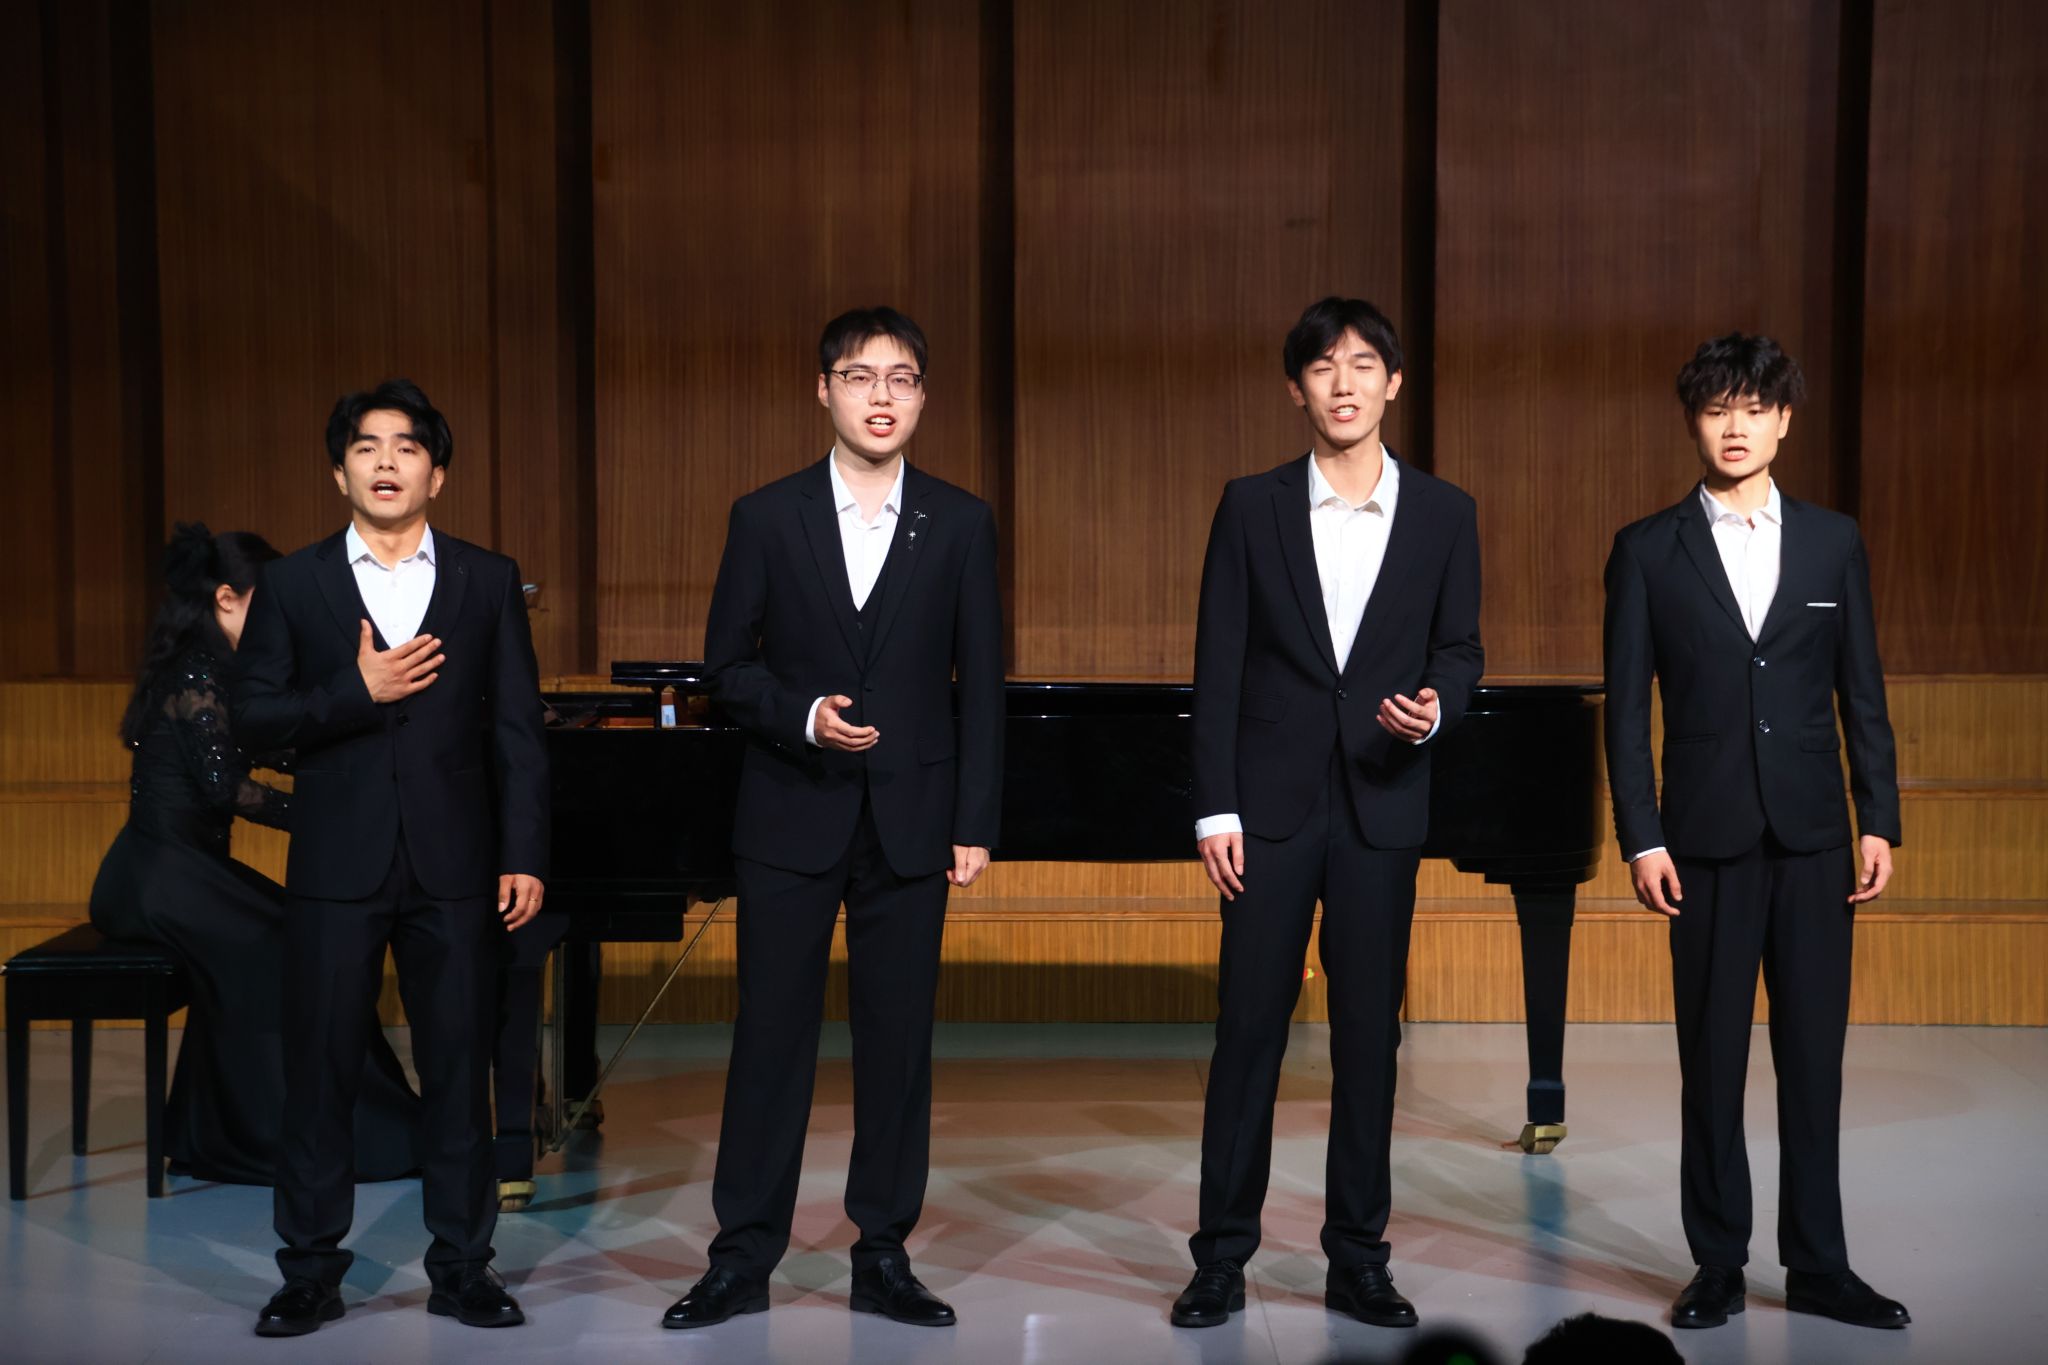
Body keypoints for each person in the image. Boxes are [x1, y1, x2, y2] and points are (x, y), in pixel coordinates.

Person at [661, 307, 1004, 1331]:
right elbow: (726, 668)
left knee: (897, 1046)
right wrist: (804, 714)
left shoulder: (961, 521)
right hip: (788, 811)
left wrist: (975, 818)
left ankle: (882, 1253)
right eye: (860, 377)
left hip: (913, 818)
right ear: (824, 391)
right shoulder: (766, 516)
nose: (881, 397)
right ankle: (741, 1256)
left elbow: (982, 685)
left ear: (922, 396)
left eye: (901, 378)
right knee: (770, 1038)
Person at [1173, 297, 1483, 1331]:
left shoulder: (1444, 513)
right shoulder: (1249, 505)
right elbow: (1217, 666)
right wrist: (1213, 808)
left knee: (1367, 1042)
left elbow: (1459, 650)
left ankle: (1358, 1257)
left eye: (1361, 365)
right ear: (1295, 388)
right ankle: (1220, 1257)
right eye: (1321, 366)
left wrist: (1438, 706)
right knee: (1247, 1036)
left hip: (1380, 805)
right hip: (1264, 814)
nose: (1342, 383)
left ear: (1393, 382)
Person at [1603, 333, 1908, 1331]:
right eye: (1715, 409)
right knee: (1712, 1063)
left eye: (1752, 408)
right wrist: (1642, 836)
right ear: (1693, 422)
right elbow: (1624, 712)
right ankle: (1718, 1264)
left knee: (1813, 1062)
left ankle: (1819, 1266)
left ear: (1783, 420)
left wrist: (1877, 817)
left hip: (1815, 837)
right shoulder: (1646, 550)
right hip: (1702, 841)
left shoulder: (1832, 542)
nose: (1734, 427)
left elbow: (1860, 689)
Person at [232, 380, 550, 1336]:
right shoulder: (293, 584)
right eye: (366, 446)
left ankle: (463, 1266)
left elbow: (518, 732)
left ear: (435, 474)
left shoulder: (488, 579)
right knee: (321, 1072)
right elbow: (253, 719)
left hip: (456, 865)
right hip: (337, 866)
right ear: (340, 471)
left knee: (458, 1072)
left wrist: (524, 851)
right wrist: (354, 689)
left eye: (406, 446)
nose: (385, 461)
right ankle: (308, 1271)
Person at [90, 523, 417, 1186]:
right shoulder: (195, 672)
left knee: (301, 932)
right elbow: (227, 786)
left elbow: (271, 746)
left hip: (187, 871)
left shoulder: (221, 669)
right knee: (288, 944)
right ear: (226, 600)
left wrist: (352, 767)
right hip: (157, 876)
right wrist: (325, 817)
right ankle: (273, 1138)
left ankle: (232, 1132)